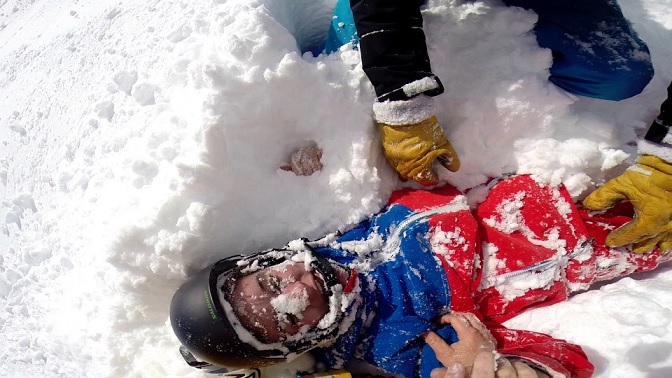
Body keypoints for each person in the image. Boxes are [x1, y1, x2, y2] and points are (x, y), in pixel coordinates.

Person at [170, 172, 671, 377]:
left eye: (273, 281)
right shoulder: (395, 343)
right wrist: (506, 373)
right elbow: (553, 358)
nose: (300, 287)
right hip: (605, 235)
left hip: (581, 171)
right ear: (293, 346)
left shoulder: (340, 234)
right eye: (289, 314)